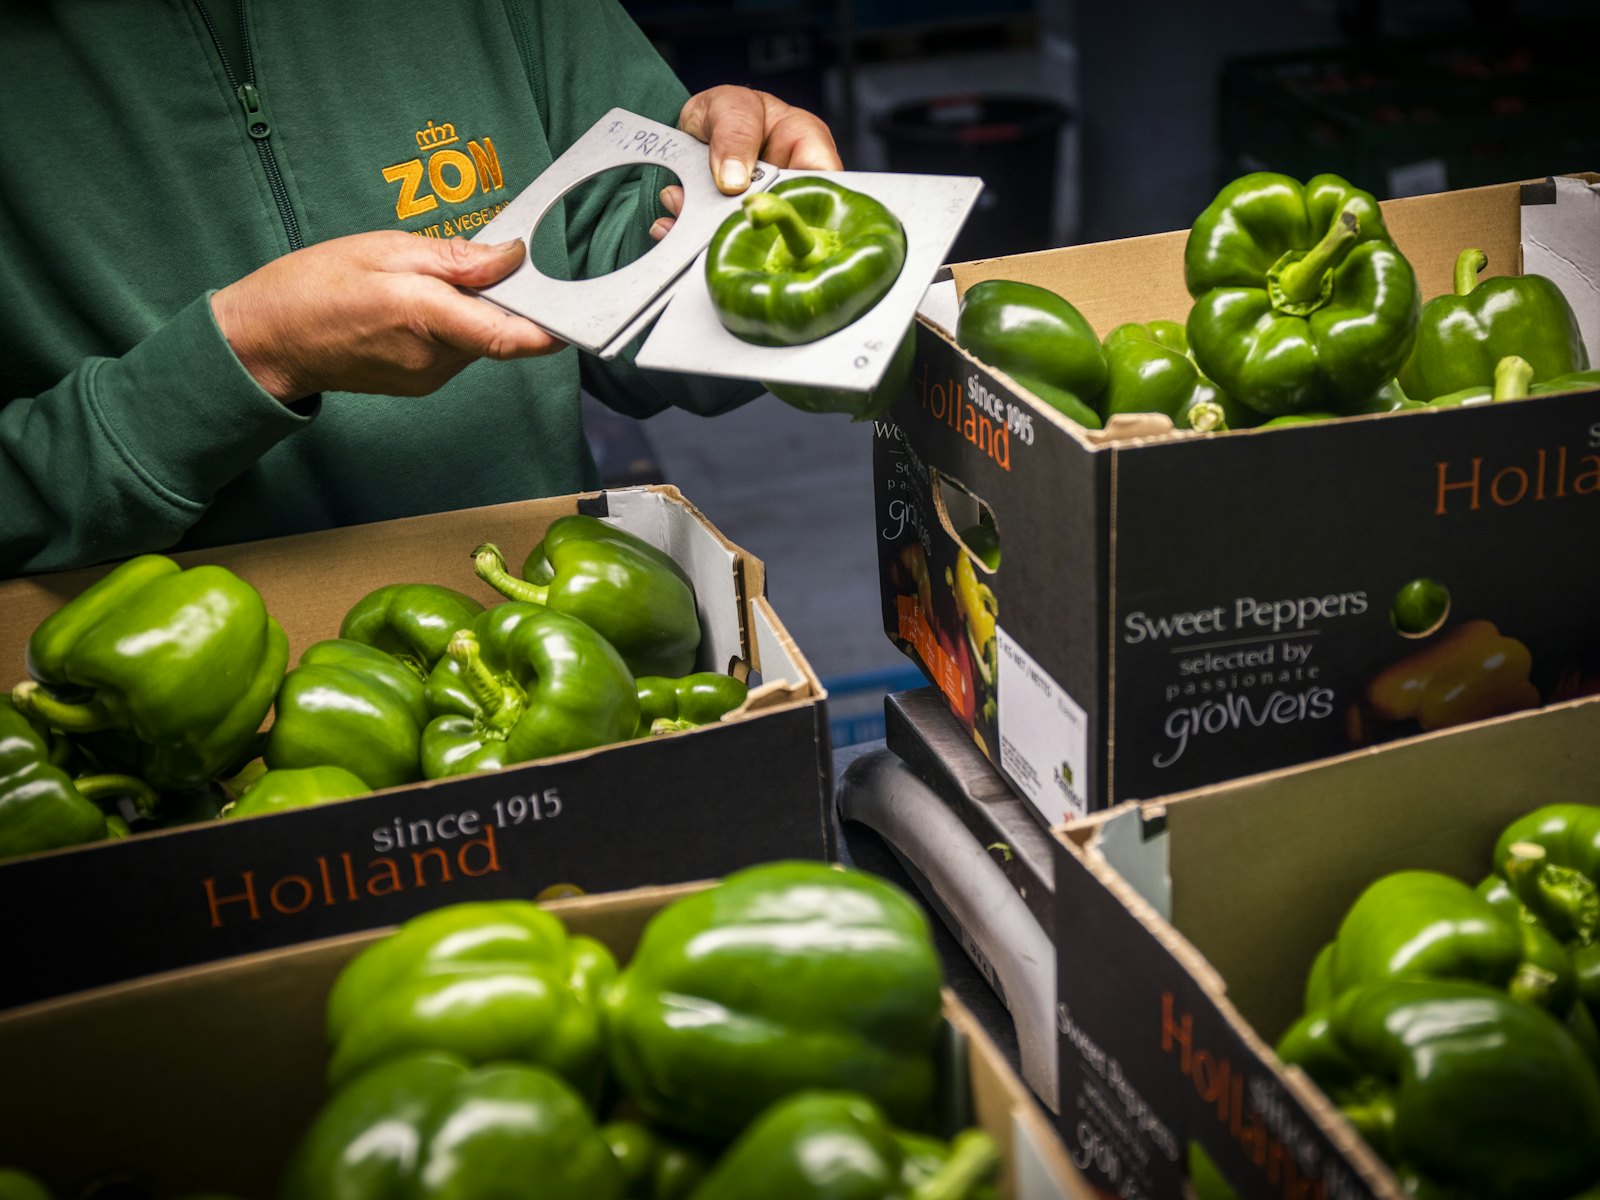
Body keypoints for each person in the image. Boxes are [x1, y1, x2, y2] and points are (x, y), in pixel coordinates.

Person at [0, 1, 841, 576]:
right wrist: (248, 358)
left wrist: (733, 228)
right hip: (150, 710)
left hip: (550, 624)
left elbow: (616, 259)